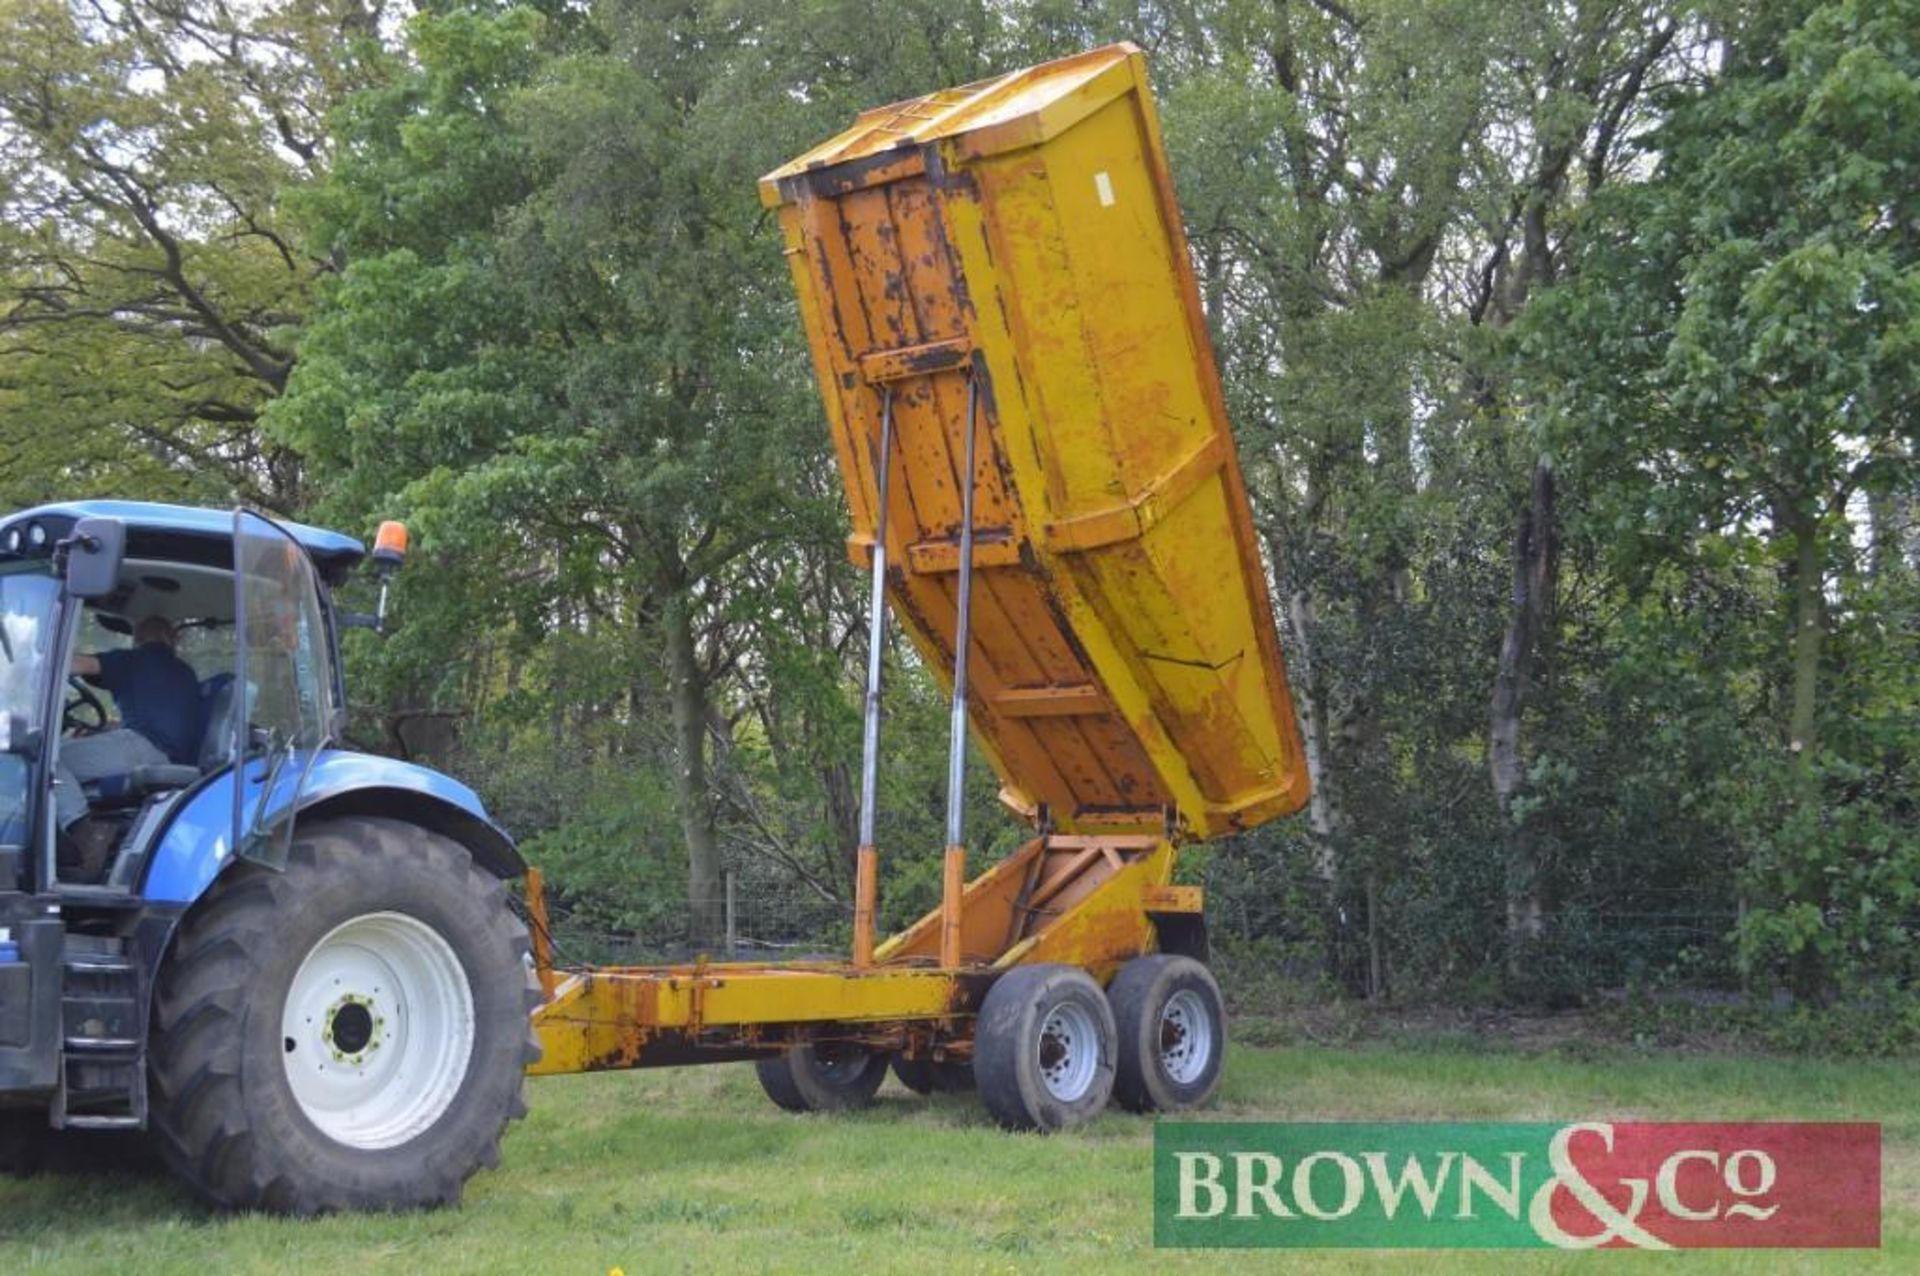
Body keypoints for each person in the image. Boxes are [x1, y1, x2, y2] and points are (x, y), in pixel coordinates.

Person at [54, 615, 203, 872]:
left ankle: (84, 833)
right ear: (172, 639)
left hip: (143, 747)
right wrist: (100, 732)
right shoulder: (185, 672)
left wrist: (38, 659)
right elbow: (158, 717)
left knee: (47, 757)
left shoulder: (133, 660)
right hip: (168, 754)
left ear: (137, 639)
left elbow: (78, 664)